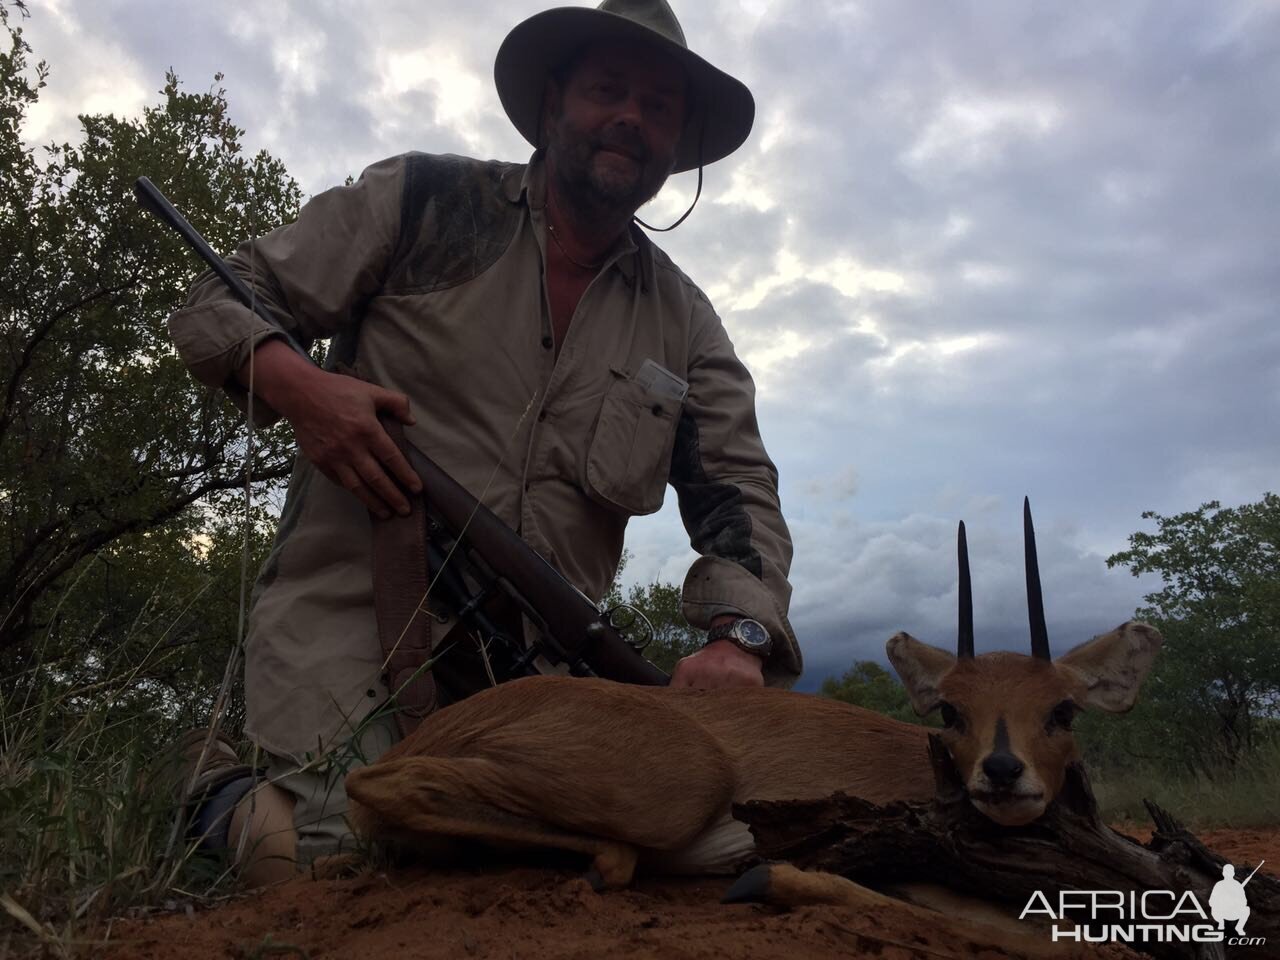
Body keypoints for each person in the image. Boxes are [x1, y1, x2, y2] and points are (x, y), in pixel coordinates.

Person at [166, 0, 800, 886]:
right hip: (347, 617)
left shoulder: (686, 322)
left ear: (677, 143)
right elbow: (218, 302)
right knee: (347, 854)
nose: (632, 118)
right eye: (608, 90)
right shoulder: (422, 202)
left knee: (682, 848)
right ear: (551, 107)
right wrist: (301, 388)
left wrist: (739, 636)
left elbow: (739, 493)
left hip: (537, 669)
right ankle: (214, 788)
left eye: (659, 106)